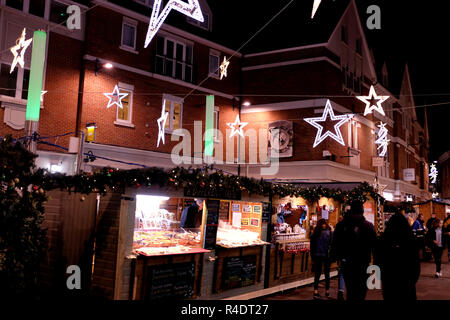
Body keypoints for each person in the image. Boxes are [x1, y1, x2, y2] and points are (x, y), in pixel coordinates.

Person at [331, 200, 377, 301]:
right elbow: (375, 246)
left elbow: (335, 243)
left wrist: (336, 257)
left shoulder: (342, 225)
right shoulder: (368, 226)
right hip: (363, 263)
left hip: (347, 263)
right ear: (362, 211)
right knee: (360, 291)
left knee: (351, 290)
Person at [378, 211, 420, 300]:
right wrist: (412, 280)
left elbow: (379, 261)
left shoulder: (385, 239)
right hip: (407, 281)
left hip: (390, 281)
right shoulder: (410, 239)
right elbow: (415, 262)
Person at [310, 218, 333, 299]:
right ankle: (327, 291)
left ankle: (315, 292)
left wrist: (312, 257)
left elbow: (312, 246)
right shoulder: (329, 232)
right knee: (327, 273)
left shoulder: (315, 233)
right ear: (325, 224)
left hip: (317, 255)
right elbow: (331, 244)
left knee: (317, 274)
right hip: (326, 255)